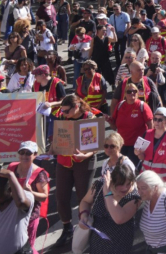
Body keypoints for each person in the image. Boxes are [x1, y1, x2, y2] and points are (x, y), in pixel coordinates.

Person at [48, 95, 102, 246]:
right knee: (61, 197)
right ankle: (67, 229)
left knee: (83, 197)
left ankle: (85, 228)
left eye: (66, 111)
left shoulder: (90, 117)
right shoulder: (61, 115)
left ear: (77, 106)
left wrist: (85, 155)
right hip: (63, 161)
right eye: (63, 110)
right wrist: (51, 150)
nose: (63, 113)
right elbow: (57, 136)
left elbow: (96, 145)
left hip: (83, 161)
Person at [77, 163, 140, 254]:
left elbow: (119, 218)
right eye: (121, 184)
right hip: (97, 242)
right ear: (112, 182)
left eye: (129, 184)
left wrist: (107, 193)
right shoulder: (99, 186)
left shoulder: (134, 197)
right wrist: (84, 215)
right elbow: (85, 202)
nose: (125, 188)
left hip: (120, 245)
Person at [7, 141, 49, 254]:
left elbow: (44, 197)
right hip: (12, 214)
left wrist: (31, 192)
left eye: (28, 153)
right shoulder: (11, 168)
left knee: (27, 248)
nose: (24, 156)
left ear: (35, 155)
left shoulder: (40, 174)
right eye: (22, 152)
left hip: (29, 217)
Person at [135, 106, 166, 192]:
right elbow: (143, 158)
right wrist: (138, 153)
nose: (156, 122)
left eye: (160, 120)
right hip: (147, 179)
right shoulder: (146, 134)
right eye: (155, 119)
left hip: (165, 181)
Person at [110, 80, 153, 166]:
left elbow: (151, 126)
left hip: (136, 147)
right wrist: (109, 121)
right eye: (129, 91)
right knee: (122, 169)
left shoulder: (142, 106)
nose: (132, 93)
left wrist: (148, 143)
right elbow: (114, 127)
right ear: (125, 94)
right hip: (121, 145)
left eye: (135, 91)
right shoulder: (120, 105)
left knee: (132, 169)